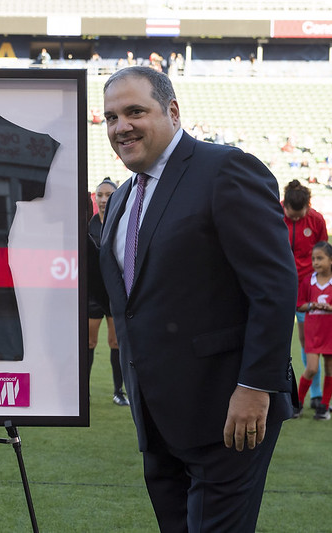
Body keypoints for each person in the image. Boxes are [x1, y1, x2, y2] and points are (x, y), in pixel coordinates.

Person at [99, 66, 297, 532]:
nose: (120, 126)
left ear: (171, 111)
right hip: (158, 417)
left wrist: (256, 386)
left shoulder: (225, 169)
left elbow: (274, 286)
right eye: (110, 117)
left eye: (134, 111)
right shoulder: (124, 195)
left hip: (227, 412)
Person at [283, 179, 328, 413]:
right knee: (275, 340)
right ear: (285, 206)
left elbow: (323, 255)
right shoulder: (274, 214)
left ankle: (316, 394)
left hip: (306, 290)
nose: (297, 219)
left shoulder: (317, 220)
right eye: (292, 216)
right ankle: (275, 392)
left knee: (308, 341)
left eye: (300, 216)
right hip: (279, 287)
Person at [88, 178, 127, 406]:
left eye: (109, 195)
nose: (104, 199)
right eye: (100, 195)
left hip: (114, 295)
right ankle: (84, 393)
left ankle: (118, 391)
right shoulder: (88, 225)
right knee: (89, 343)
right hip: (93, 296)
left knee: (116, 343)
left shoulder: (122, 226)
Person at [296, 241, 332, 420]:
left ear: (331, 260)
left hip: (330, 332)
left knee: (329, 369)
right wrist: (311, 305)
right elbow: (299, 304)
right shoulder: (308, 281)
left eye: (320, 258)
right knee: (311, 368)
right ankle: (298, 404)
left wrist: (329, 308)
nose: (316, 262)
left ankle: (324, 407)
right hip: (314, 331)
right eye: (313, 259)